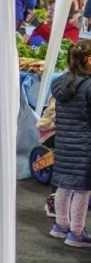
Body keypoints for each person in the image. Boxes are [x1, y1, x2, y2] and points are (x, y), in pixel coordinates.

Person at [47, 40, 91, 247]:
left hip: (64, 143)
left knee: (63, 186)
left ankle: (60, 225)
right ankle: (76, 232)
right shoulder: (89, 86)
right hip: (85, 146)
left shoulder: (61, 83)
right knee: (83, 189)